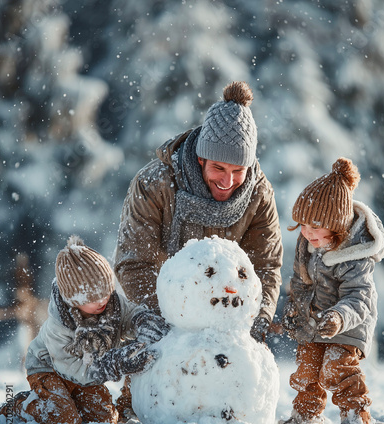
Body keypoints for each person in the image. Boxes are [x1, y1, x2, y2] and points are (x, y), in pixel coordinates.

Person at [115, 81, 283, 342]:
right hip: (162, 307)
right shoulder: (155, 184)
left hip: (226, 314)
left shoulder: (258, 194)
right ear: (200, 158)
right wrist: (162, 318)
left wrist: (258, 316)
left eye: (238, 171)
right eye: (219, 168)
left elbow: (265, 265)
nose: (227, 182)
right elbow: (134, 262)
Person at [0, 235, 167, 424]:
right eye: (94, 297)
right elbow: (72, 369)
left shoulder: (112, 305)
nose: (103, 300)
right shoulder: (59, 326)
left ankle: (73, 401)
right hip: (49, 370)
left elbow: (133, 315)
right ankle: (21, 406)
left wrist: (145, 325)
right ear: (74, 299)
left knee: (105, 419)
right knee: (64, 418)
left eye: (106, 291)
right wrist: (116, 363)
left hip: (89, 372)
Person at [280, 158, 384, 424]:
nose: (307, 233)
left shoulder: (354, 256)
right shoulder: (307, 243)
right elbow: (301, 282)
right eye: (303, 225)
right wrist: (296, 308)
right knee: (306, 370)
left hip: (349, 324)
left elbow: (359, 298)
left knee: (335, 368)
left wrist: (339, 317)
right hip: (316, 321)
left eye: (315, 227)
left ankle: (354, 414)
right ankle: (305, 414)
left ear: (337, 226)